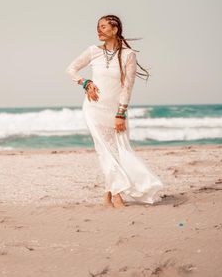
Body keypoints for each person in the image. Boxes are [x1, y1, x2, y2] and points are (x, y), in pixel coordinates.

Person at [65, 14, 164, 208]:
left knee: (117, 151)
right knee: (104, 150)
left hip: (114, 111)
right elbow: (71, 69)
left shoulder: (128, 56)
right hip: (93, 108)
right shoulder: (92, 51)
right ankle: (118, 194)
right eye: (98, 27)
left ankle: (108, 194)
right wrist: (85, 82)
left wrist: (121, 113)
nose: (99, 30)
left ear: (115, 29)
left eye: (103, 27)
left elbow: (127, 88)